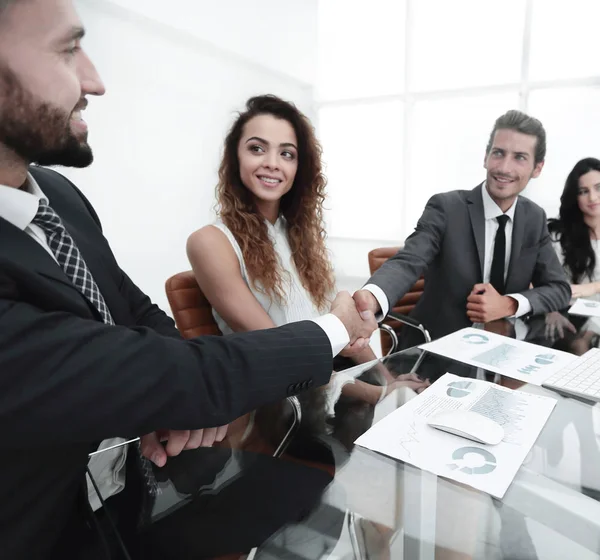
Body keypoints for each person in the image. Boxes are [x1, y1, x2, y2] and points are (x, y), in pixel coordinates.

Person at [0, 1, 377, 558]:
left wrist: (165, 402)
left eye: (287, 153)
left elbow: (134, 314)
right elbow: (181, 362)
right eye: (65, 48)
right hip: (45, 524)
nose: (95, 80)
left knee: (327, 503)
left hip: (136, 477)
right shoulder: (213, 238)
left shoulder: (59, 196)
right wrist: (335, 329)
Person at [186, 94, 428, 418]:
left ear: (299, 167)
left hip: (333, 387)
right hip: (284, 407)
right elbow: (282, 353)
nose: (272, 162)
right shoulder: (210, 242)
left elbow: (348, 331)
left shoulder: (297, 235)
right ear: (234, 159)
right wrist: (379, 392)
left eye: (287, 153)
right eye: (257, 148)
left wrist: (388, 378)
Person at [353, 109, 571, 347]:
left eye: (519, 157)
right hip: (437, 349)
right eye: (498, 153)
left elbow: (559, 289)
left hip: (502, 347)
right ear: (486, 157)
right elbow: (408, 261)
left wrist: (509, 304)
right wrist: (372, 297)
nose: (504, 168)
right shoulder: (446, 208)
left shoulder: (534, 217)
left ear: (537, 168)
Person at [545, 158, 600, 340]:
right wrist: (550, 311)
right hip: (568, 313)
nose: (592, 198)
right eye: (583, 191)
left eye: (598, 188)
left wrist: (593, 287)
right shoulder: (558, 236)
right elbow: (536, 279)